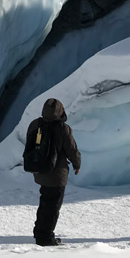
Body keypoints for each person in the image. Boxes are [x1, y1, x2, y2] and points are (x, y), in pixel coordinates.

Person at [24, 98, 81, 246]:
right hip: (56, 174)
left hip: (40, 171)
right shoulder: (63, 128)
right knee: (53, 206)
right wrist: (77, 164)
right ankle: (45, 237)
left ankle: (39, 231)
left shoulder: (36, 124)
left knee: (45, 201)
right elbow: (72, 150)